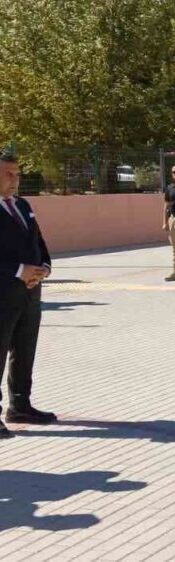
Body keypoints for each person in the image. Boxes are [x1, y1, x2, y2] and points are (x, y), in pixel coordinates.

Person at [0, 147, 57, 439]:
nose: (15, 179)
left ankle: (20, 405)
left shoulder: (22, 206)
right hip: (3, 291)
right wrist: (17, 270)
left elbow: (39, 240)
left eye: (17, 174)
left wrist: (44, 266)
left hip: (30, 291)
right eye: (8, 174)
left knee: (24, 350)